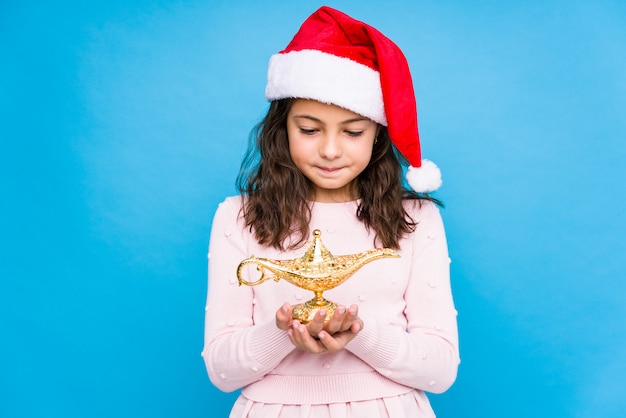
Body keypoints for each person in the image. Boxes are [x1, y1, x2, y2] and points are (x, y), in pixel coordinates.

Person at [202, 6, 459, 417]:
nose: (330, 149)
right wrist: (284, 331)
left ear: (378, 133)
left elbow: (441, 370)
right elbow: (221, 371)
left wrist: (358, 332)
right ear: (281, 129)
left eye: (353, 131)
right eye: (309, 129)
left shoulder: (415, 220)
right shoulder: (238, 217)